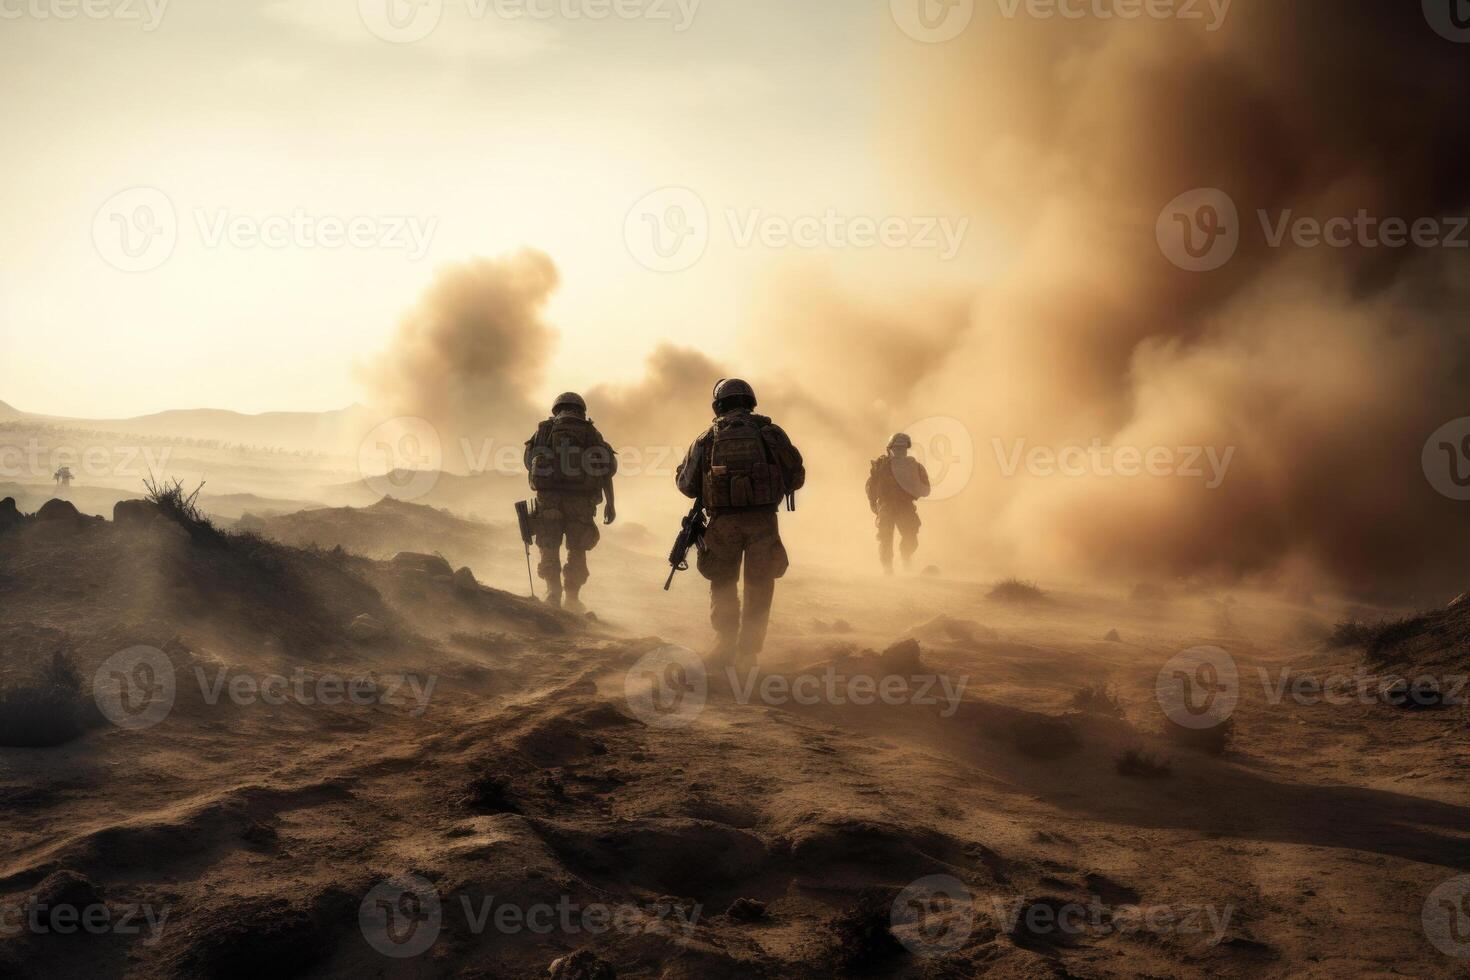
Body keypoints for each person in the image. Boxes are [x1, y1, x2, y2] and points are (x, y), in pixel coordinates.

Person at [675, 379, 804, 670]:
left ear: (718, 405)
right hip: (764, 522)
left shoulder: (707, 437)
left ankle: (724, 643)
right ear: (751, 402)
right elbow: (796, 476)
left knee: (722, 580)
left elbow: (687, 485)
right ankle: (749, 654)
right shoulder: (771, 434)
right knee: (760, 584)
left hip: (723, 522)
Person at [523, 393, 616, 612]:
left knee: (549, 543)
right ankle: (572, 598)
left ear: (556, 408)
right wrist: (610, 504)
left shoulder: (544, 430)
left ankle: (552, 592)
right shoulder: (591, 432)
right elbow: (607, 470)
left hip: (549, 499)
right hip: (581, 502)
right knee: (577, 547)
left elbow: (529, 463)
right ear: (581, 409)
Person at [866, 433, 930, 573]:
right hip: (887, 506)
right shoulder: (881, 466)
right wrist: (873, 502)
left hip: (905, 506)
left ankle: (905, 558)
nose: (900, 451)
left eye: (903, 448)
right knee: (885, 537)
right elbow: (871, 485)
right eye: (897, 448)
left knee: (911, 538)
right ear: (890, 449)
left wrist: (915, 489)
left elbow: (926, 489)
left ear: (907, 449)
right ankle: (888, 569)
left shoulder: (915, 467)